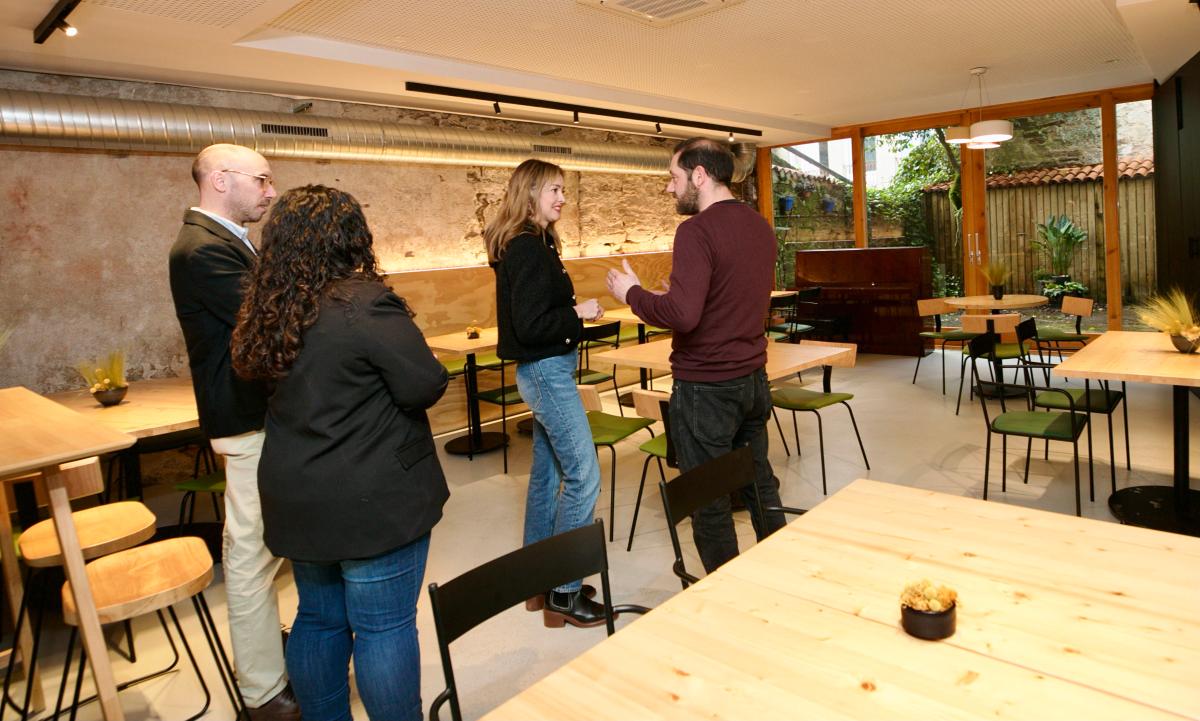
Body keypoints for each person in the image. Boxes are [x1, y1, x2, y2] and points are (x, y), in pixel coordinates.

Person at [232, 185, 449, 721]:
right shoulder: (364, 303)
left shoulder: (268, 309)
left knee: (319, 618)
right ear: (351, 238)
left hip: (297, 494)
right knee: (383, 626)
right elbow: (423, 383)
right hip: (369, 498)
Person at [606, 137, 786, 573]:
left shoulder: (695, 230)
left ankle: (724, 593)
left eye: (674, 177)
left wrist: (632, 294)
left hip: (707, 388)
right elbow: (724, 298)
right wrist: (671, 295)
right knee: (759, 483)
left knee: (709, 501)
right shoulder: (759, 225)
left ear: (700, 176)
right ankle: (781, 573)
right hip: (753, 381)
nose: (669, 187)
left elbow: (683, 317)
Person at [168, 143, 299, 720]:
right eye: (262, 180)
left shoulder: (227, 241)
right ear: (221, 180)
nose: (271, 192)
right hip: (245, 420)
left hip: (259, 415)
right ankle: (263, 691)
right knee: (249, 556)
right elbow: (274, 322)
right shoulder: (202, 250)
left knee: (268, 550)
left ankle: (270, 652)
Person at [486, 159, 609, 628]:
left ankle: (536, 581)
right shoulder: (527, 248)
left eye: (562, 189)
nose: (562, 198)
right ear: (530, 193)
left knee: (546, 477)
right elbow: (532, 325)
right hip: (546, 374)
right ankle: (564, 591)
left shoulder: (532, 243)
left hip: (544, 371)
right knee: (584, 475)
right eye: (553, 189)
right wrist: (579, 312)